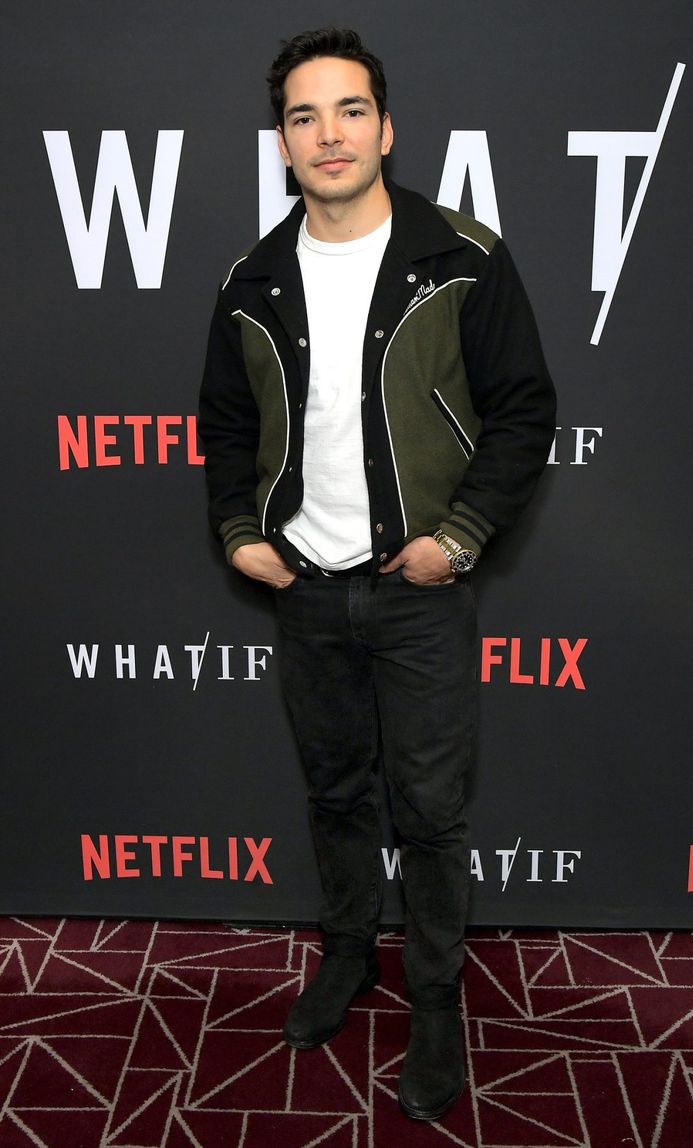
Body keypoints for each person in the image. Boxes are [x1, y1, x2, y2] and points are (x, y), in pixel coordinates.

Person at [198, 26, 556, 1121]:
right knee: (337, 792)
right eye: (303, 116)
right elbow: (221, 423)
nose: (328, 133)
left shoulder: (463, 255)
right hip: (305, 587)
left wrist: (458, 535)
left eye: (348, 109)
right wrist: (236, 527)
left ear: (386, 127)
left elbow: (523, 409)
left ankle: (436, 1003)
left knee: (433, 811)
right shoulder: (252, 276)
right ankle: (348, 953)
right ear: (281, 144)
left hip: (417, 590)